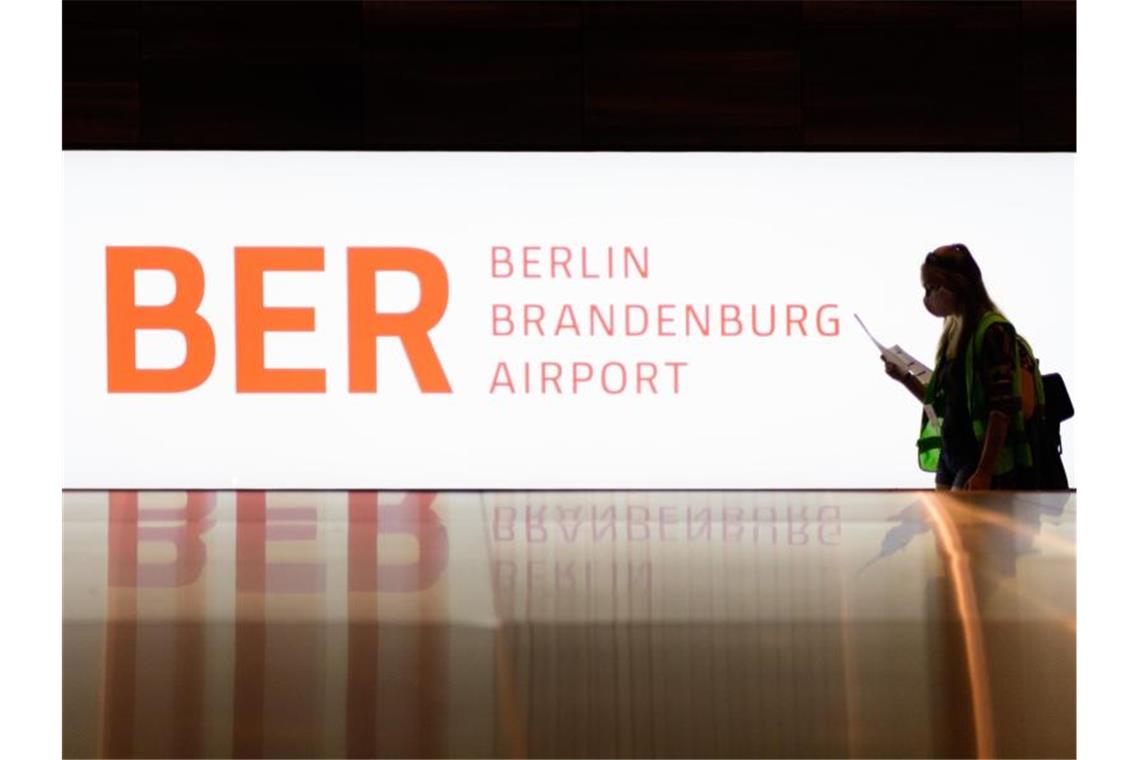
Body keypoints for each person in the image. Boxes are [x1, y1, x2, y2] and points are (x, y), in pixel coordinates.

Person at [883, 244, 1036, 490]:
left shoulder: (992, 331)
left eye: (933, 288)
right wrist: (905, 379)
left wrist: (984, 472)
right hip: (951, 456)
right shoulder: (952, 331)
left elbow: (1001, 408)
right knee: (946, 528)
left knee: (968, 529)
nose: (928, 297)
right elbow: (945, 404)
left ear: (958, 284)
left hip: (977, 460)